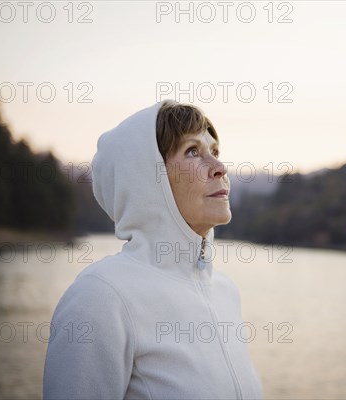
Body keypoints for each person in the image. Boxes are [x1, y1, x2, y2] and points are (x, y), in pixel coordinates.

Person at [43, 100, 263, 399]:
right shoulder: (100, 297)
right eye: (193, 152)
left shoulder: (225, 292)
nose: (220, 168)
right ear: (147, 180)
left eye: (215, 152)